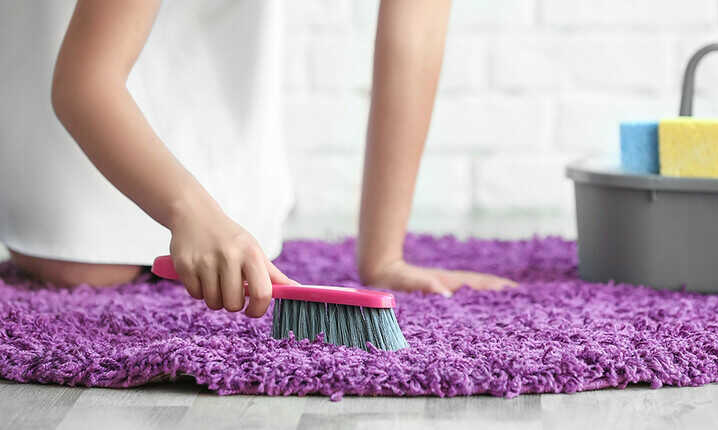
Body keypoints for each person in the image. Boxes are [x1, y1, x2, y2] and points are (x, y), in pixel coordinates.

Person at [0, 0, 516, 318]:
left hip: (217, 74)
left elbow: (416, 31)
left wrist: (385, 258)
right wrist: (188, 212)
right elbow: (83, 84)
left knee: (248, 243)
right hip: (74, 54)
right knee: (85, 262)